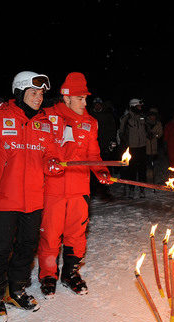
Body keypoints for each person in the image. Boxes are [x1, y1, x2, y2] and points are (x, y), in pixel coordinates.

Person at [0, 71, 61, 322]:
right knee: (1, 248)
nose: (38, 98)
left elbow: (50, 156)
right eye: (33, 93)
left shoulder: (45, 124)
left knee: (26, 247)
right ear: (19, 93)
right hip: (3, 198)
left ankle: (16, 289)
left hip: (33, 199)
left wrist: (53, 164)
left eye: (41, 94)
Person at [38, 72, 112, 298]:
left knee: (77, 235)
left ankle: (70, 273)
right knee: (50, 235)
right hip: (53, 189)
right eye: (80, 98)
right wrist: (48, 162)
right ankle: (48, 275)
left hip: (80, 190)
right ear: (66, 98)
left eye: (85, 98)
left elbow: (94, 155)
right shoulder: (47, 117)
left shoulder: (90, 123)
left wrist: (101, 171)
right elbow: (40, 151)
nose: (85, 102)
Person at [89, 97, 117, 201]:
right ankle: (92, 191)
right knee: (91, 169)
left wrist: (112, 141)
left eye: (99, 104)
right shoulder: (89, 115)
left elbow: (113, 129)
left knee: (105, 168)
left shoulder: (107, 115)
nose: (97, 105)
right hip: (92, 146)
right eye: (95, 104)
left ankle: (104, 191)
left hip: (105, 146)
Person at [119, 98, 148, 198]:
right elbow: (121, 132)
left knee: (142, 169)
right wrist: (125, 143)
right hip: (132, 147)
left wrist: (150, 134)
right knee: (132, 169)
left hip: (142, 146)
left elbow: (147, 128)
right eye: (138, 106)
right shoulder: (126, 118)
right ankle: (131, 189)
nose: (140, 108)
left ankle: (142, 189)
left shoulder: (142, 116)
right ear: (133, 106)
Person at [145, 107, 163, 185]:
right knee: (147, 163)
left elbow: (160, 134)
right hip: (146, 147)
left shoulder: (158, 123)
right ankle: (148, 179)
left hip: (154, 146)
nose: (153, 117)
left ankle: (152, 178)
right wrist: (147, 135)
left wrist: (154, 135)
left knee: (153, 163)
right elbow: (141, 133)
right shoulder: (145, 123)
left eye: (154, 115)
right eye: (151, 115)